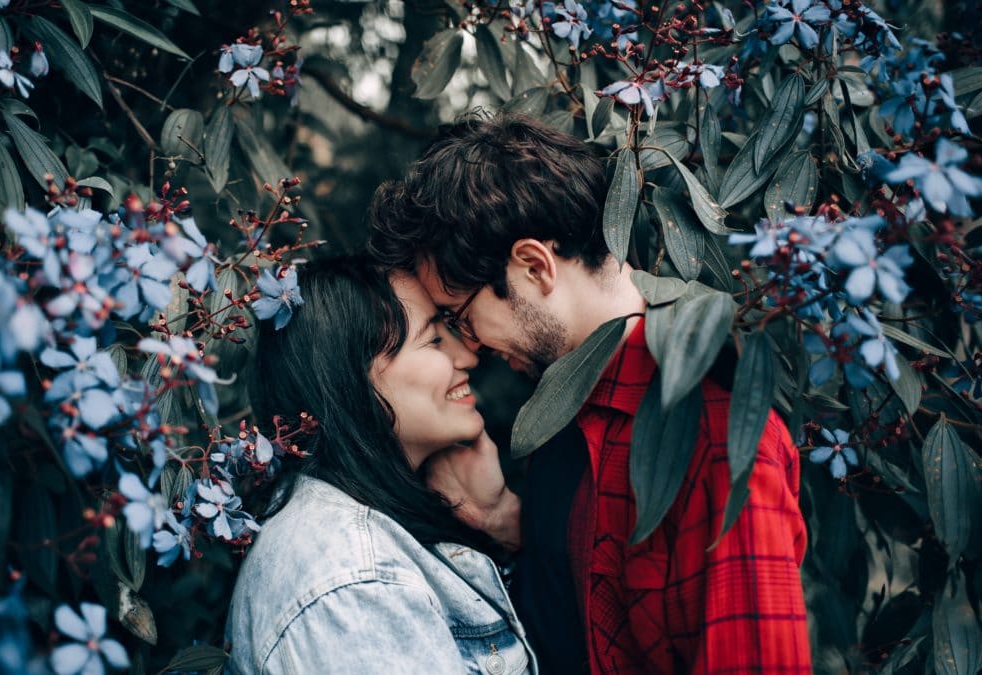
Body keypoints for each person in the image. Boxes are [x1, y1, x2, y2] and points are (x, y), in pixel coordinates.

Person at [368, 112, 812, 674]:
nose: (470, 348)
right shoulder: (563, 412)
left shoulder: (716, 441)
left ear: (533, 266)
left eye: (461, 316)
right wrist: (505, 520)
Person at [225, 255, 537, 674]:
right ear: (353, 378)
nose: (468, 357)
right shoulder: (353, 585)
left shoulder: (368, 532)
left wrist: (497, 519)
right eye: (433, 340)